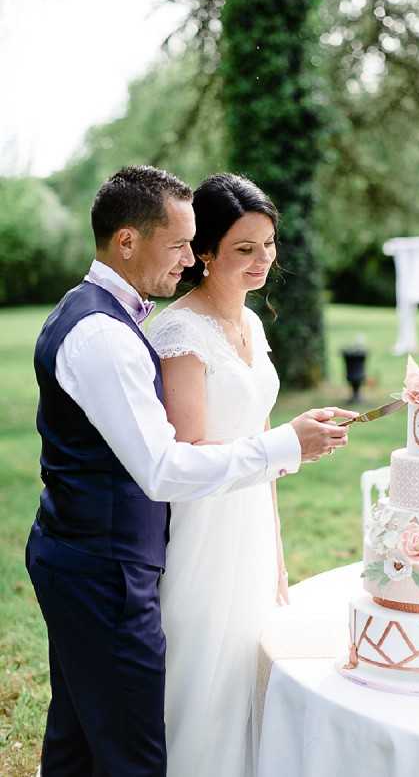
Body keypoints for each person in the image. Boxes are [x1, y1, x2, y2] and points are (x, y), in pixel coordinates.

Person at [26, 165, 355, 777]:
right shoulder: (106, 335)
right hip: (107, 564)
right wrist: (282, 446)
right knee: (137, 749)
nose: (184, 259)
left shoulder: (96, 312)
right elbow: (162, 467)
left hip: (89, 551)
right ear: (127, 240)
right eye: (179, 244)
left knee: (78, 734)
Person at [147, 173, 324, 776]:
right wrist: (282, 445)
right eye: (244, 249)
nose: (262, 261)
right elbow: (189, 452)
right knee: (204, 672)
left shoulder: (254, 325)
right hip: (201, 529)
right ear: (204, 253)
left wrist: (274, 549)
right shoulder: (178, 333)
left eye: (268, 245)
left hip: (251, 521)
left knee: (252, 665)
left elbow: (263, 439)